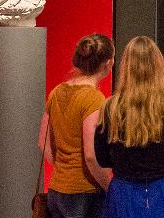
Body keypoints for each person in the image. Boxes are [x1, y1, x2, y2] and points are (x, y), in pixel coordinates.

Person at [94, 36, 164, 218]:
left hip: (124, 193)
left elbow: (102, 158)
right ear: (159, 67)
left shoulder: (110, 108)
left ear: (126, 68)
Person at [38, 34, 115, 218]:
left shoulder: (57, 91)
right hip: (84, 193)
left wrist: (64, 170)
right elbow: (91, 155)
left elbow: (43, 143)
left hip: (57, 189)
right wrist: (109, 187)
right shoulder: (93, 99)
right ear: (107, 63)